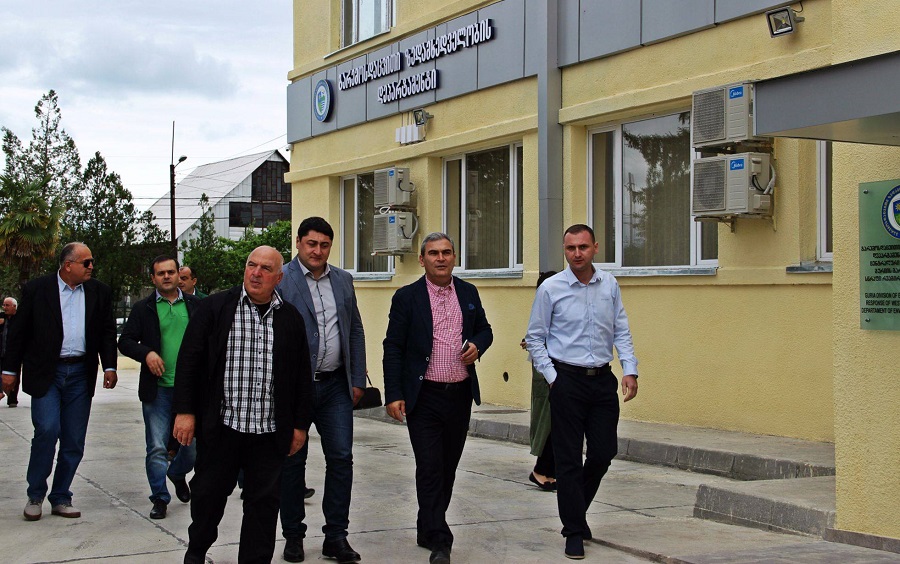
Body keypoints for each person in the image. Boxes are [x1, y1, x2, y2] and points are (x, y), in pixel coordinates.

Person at [172, 246, 313, 564]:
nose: (256, 273)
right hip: (223, 427)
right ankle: (197, 551)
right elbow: (189, 360)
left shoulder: (290, 318)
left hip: (268, 431)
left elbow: (302, 377)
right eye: (252, 265)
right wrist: (185, 411)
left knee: (263, 505)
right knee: (207, 495)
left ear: (279, 278)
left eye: (265, 268)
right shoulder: (216, 307)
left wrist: (300, 425)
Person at [524, 224, 638, 560]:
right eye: (571, 248)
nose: (577, 253)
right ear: (565, 250)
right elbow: (535, 338)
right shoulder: (551, 288)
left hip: (602, 380)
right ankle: (574, 530)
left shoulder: (609, 284)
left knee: (603, 453)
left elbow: (620, 330)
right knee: (569, 460)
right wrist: (553, 378)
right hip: (567, 381)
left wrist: (629, 369)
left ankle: (577, 511)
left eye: (583, 247)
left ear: (595, 248)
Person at [383, 232, 493, 564]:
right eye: (433, 253)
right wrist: (394, 394)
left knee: (447, 468)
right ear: (422, 260)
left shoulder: (468, 292)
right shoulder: (407, 297)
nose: (441, 258)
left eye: (446, 252)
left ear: (454, 257)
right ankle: (440, 539)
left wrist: (478, 344)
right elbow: (394, 347)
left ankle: (426, 526)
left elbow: (485, 329)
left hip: (459, 395)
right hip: (424, 396)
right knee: (430, 467)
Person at [1, 243, 118, 521]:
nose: (91, 267)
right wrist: (9, 370)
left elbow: (106, 331)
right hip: (47, 373)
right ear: (68, 265)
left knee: (74, 439)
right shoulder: (38, 289)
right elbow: (18, 333)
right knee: (47, 430)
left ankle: (61, 496)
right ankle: (35, 494)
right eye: (86, 262)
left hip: (80, 373)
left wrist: (110, 366)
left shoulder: (99, 292)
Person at [278, 216, 366, 564]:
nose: (317, 251)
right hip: (294, 390)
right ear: (298, 243)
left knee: (341, 459)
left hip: (335, 388)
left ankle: (336, 537)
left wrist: (357, 379)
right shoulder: (282, 278)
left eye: (324, 245)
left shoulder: (343, 280)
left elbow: (354, 329)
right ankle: (293, 536)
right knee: (292, 461)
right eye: (311, 243)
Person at [118, 255, 200, 519]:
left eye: (170, 272)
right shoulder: (143, 308)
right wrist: (147, 354)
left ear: (178, 275)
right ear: (153, 278)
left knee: (191, 447)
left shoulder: (197, 305)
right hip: (158, 390)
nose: (166, 276)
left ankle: (176, 472)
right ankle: (160, 498)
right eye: (160, 273)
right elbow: (125, 341)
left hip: (191, 389)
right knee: (156, 446)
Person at [521, 271, 558, 491]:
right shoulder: (544, 306)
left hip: (559, 372)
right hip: (546, 374)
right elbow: (536, 335)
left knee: (559, 423)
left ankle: (551, 471)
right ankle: (541, 470)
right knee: (548, 422)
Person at [0, 297, 20, 407]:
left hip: (14, 354)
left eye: (7, 305)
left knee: (14, 375)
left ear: (14, 307)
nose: (5, 307)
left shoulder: (19, 319)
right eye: (4, 305)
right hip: (1, 351)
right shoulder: (1, 317)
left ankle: (12, 399)